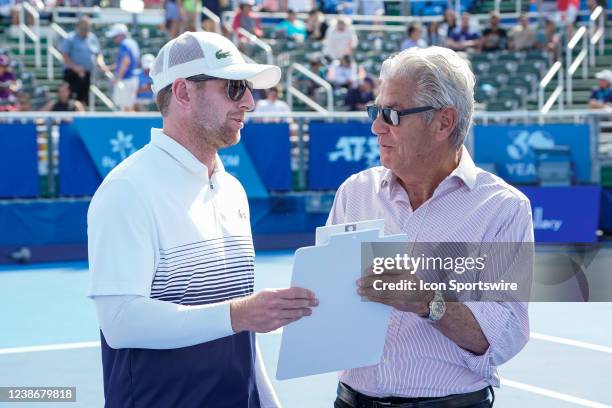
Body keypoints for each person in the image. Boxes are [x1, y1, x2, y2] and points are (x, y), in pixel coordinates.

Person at [88, 31, 318, 408]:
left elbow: (242, 334)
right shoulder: (127, 190)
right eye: (234, 88)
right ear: (182, 93)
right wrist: (239, 313)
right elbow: (120, 322)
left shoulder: (232, 190)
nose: (250, 101)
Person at [328, 46, 532, 407]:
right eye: (375, 111)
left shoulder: (502, 208)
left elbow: (506, 338)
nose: (376, 127)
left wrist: (428, 302)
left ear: (443, 122)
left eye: (391, 114)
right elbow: (329, 301)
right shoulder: (355, 192)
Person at [59, 16, 107, 105]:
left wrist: (101, 63)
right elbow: (64, 56)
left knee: (83, 100)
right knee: (69, 99)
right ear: (78, 27)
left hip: (86, 74)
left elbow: (98, 54)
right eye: (83, 27)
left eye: (87, 27)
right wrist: (76, 68)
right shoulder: (70, 38)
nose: (85, 30)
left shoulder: (92, 38)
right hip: (72, 74)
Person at [105, 23, 140, 111]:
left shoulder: (124, 44)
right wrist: (110, 68)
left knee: (124, 109)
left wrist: (117, 78)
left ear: (121, 35)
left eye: (115, 36)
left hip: (126, 80)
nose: (114, 39)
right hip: (133, 79)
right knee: (129, 107)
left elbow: (126, 61)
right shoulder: (133, 43)